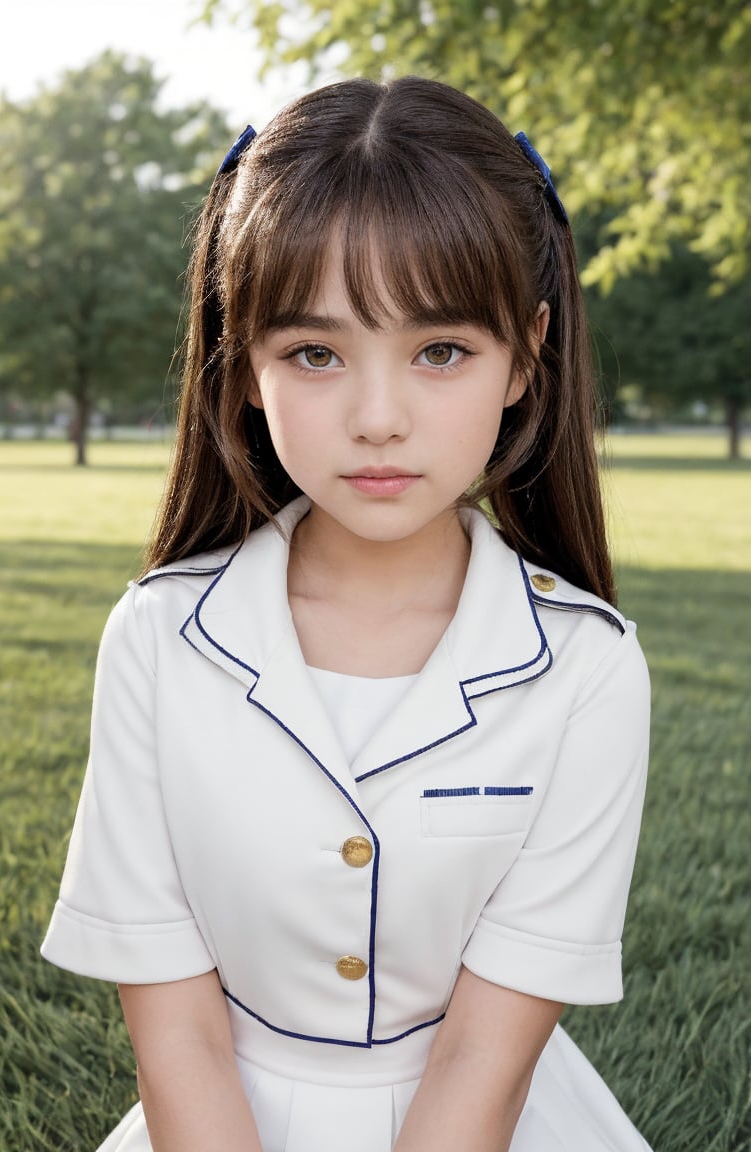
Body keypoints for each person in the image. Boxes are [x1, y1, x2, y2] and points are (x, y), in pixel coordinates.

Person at [41, 76, 652, 1152]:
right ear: (244, 363)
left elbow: (484, 1057)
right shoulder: (156, 639)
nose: (379, 419)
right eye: (315, 354)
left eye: (442, 352)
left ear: (528, 352)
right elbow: (177, 1033)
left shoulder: (587, 667)